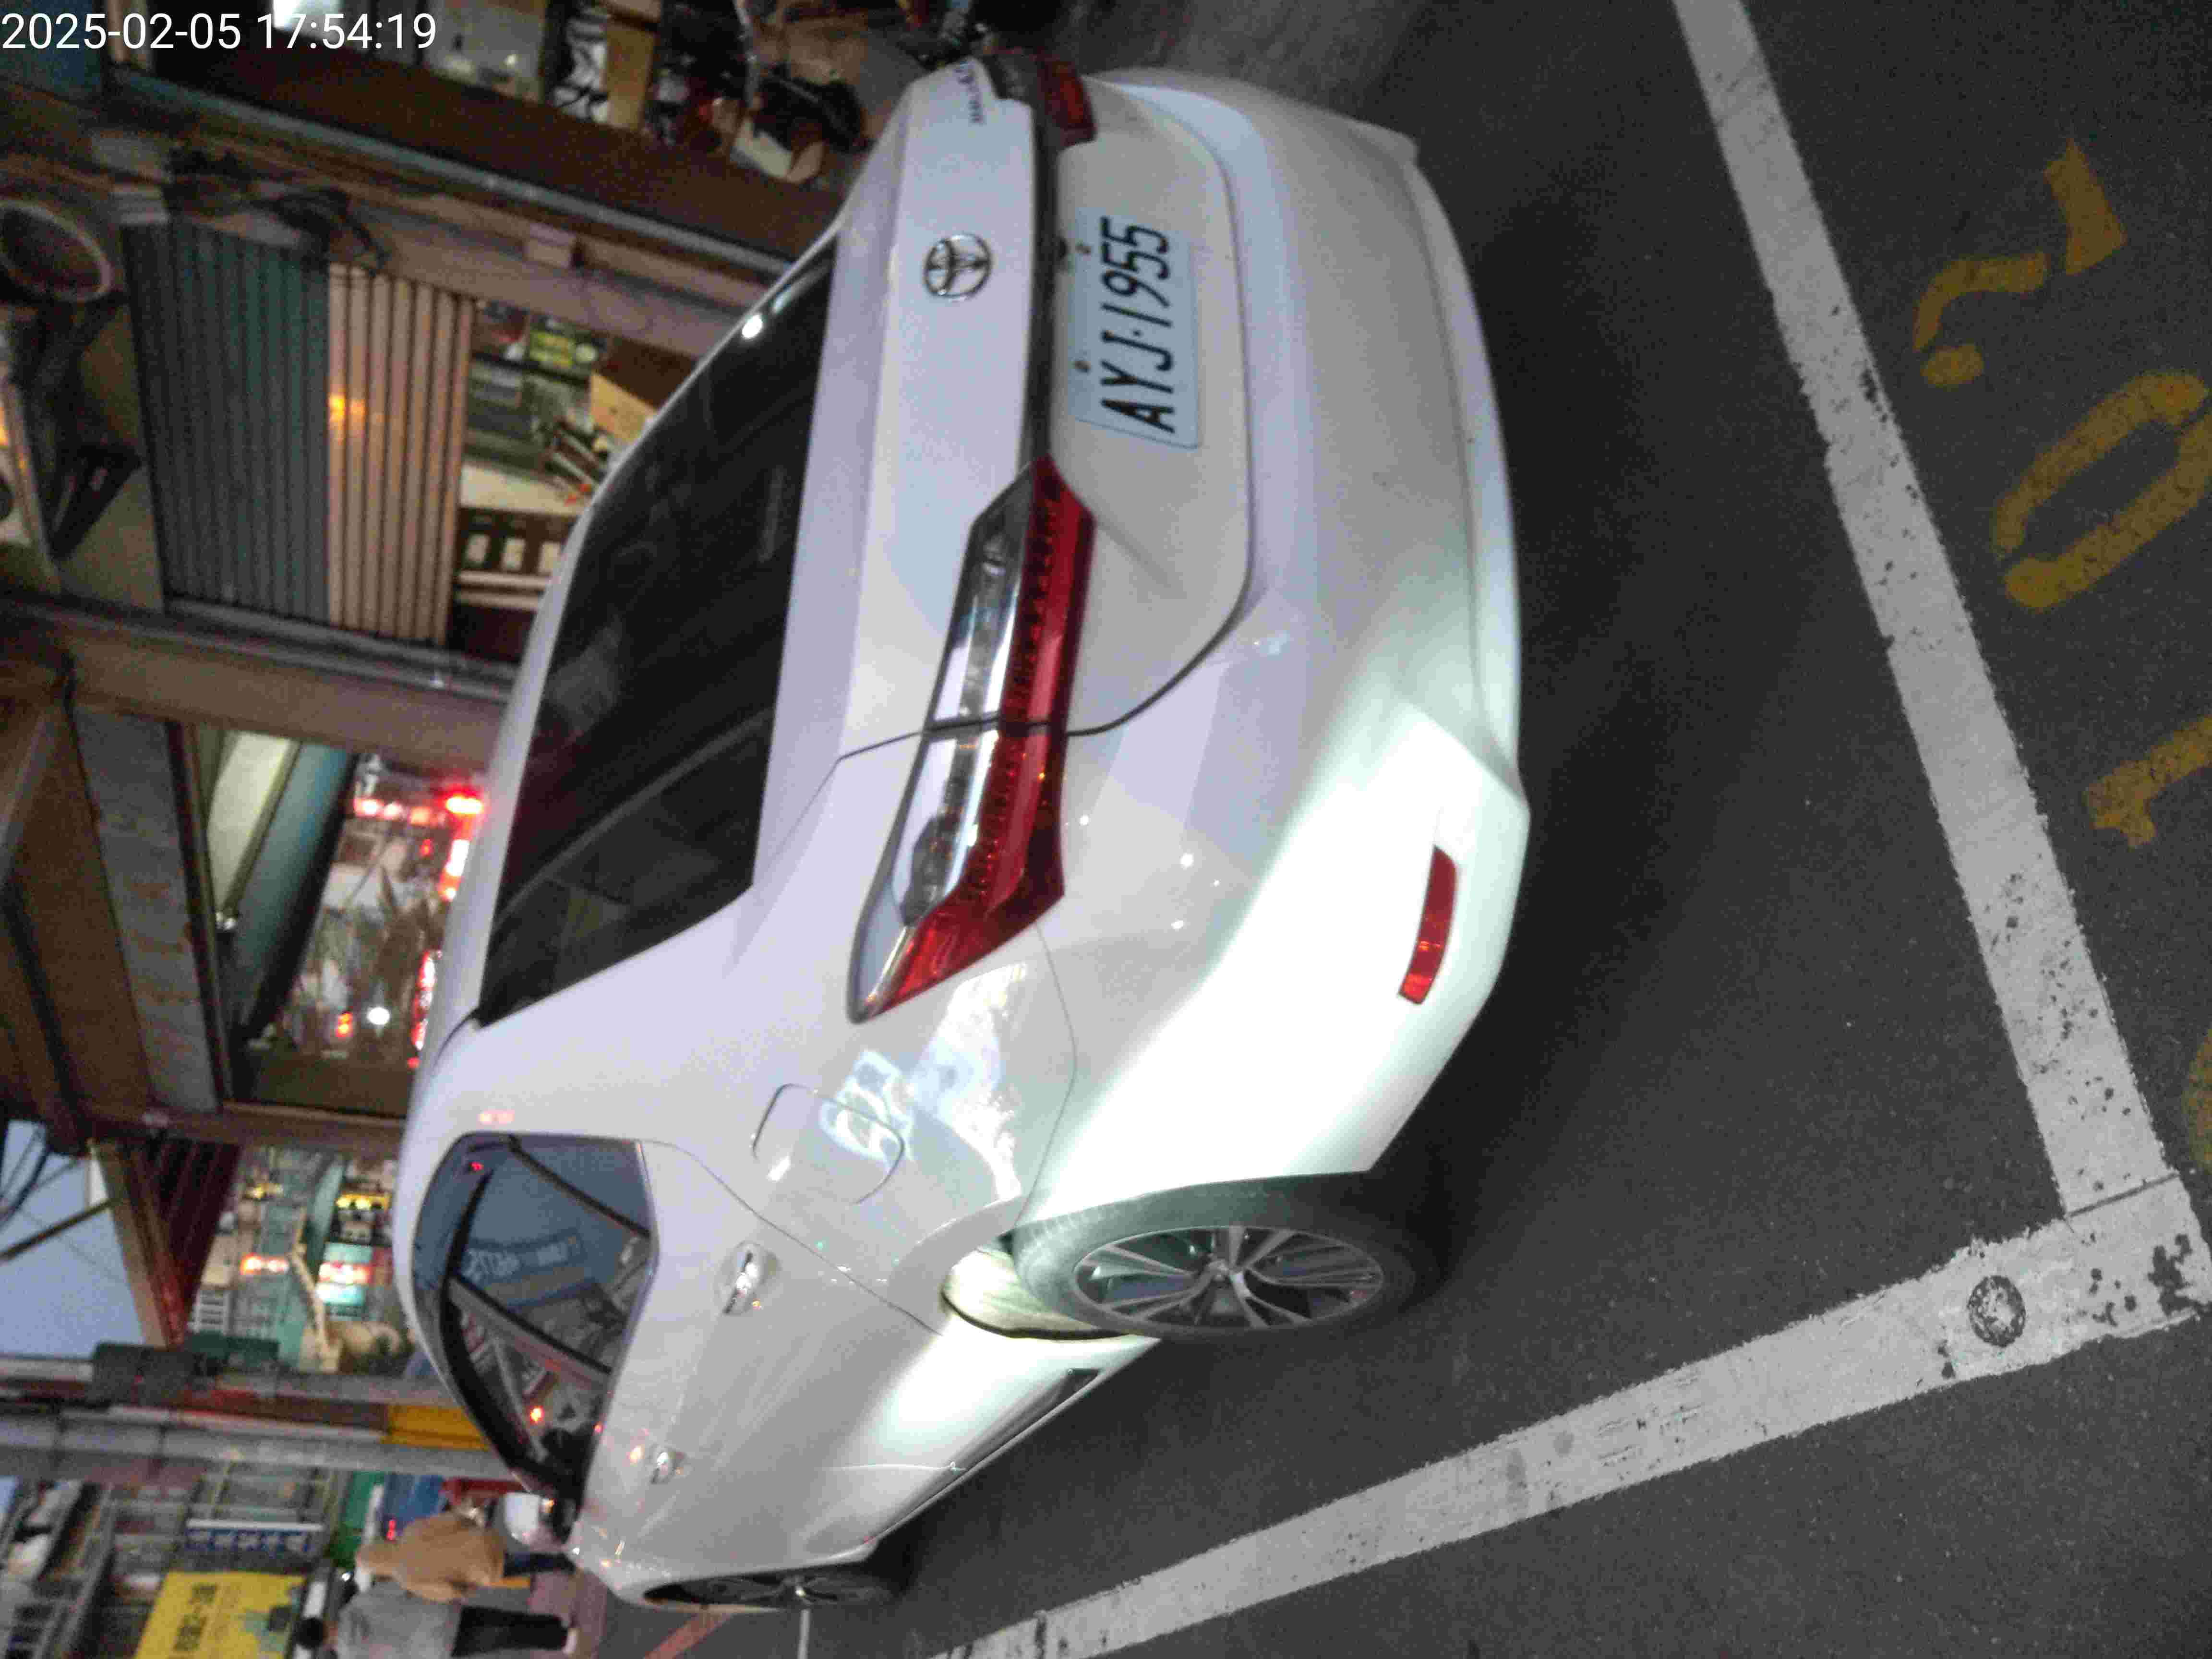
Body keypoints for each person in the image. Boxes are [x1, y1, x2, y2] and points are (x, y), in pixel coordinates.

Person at [355, 1509, 567, 1604]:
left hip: (481, 1570)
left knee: (526, 1565)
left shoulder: (406, 1578)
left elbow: (446, 1591)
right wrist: (472, 1527)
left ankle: (562, 1563)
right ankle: (560, 1560)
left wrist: (465, 1590)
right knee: (523, 1558)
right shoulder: (410, 1533)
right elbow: (450, 1521)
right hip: (481, 1541)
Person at [330, 1578, 573, 1659]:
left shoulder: (354, 1656)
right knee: (504, 1619)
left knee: (503, 1638)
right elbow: (407, 1586)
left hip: (436, 1647)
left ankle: (560, 1639)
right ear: (325, 1623)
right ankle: (556, 1626)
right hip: (440, 1613)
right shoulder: (360, 1603)